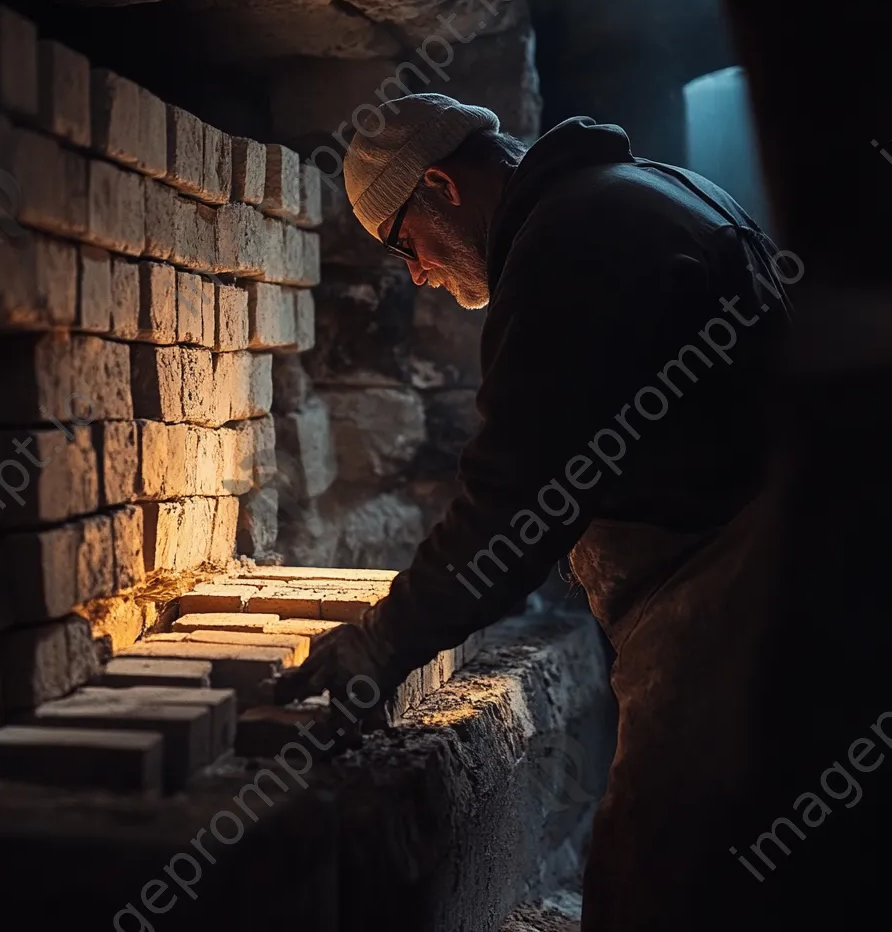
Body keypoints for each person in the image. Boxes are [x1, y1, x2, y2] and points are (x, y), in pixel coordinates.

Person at [277, 93, 795, 930]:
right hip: (775, 570)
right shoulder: (647, 189)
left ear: (441, 184)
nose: (417, 272)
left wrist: (382, 643)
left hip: (734, 595)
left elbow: (514, 504)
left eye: (408, 244)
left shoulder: (570, 245)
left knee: (661, 876)